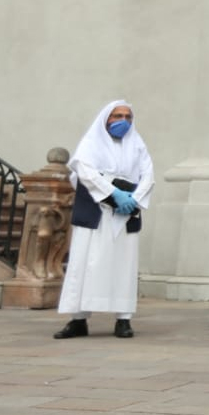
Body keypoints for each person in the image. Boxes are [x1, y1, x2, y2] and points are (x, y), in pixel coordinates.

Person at [54, 100, 154, 340]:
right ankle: (78, 320)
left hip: (125, 211)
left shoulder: (137, 145)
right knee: (83, 262)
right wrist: (113, 194)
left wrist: (133, 199)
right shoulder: (91, 143)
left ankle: (123, 319)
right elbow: (85, 171)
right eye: (117, 115)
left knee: (124, 265)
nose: (123, 121)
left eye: (128, 116)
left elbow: (148, 175)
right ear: (106, 119)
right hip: (96, 210)